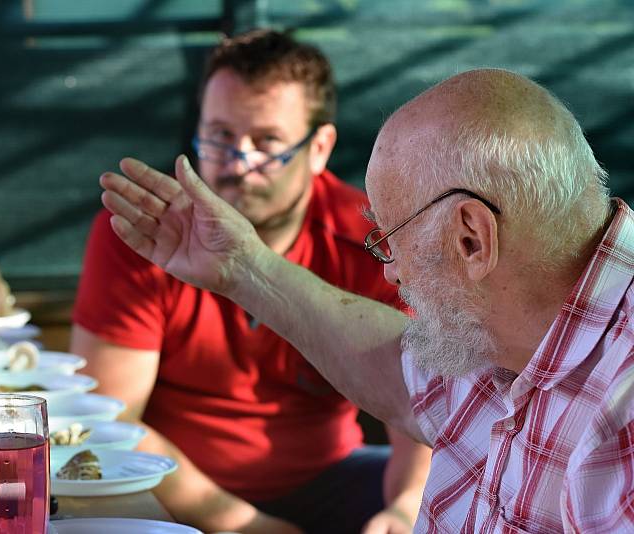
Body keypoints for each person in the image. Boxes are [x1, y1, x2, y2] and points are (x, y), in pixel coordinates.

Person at [98, 67, 634, 532]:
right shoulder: (513, 327)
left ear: (471, 237)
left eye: (388, 238)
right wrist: (243, 268)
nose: (391, 270)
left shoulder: (621, 416)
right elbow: (403, 377)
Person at [72, 30, 431, 534]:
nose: (237, 163)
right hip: (172, 490)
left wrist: (407, 506)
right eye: (219, 135)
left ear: (319, 147)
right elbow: (109, 423)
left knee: (471, 494)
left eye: (266, 142)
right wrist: (244, 525)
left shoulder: (372, 241)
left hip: (331, 478)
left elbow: (420, 397)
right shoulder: (145, 231)